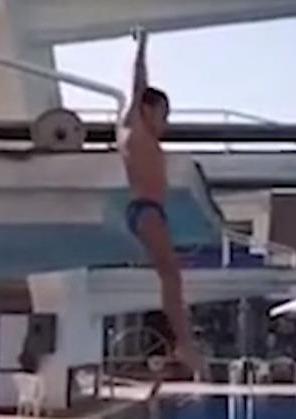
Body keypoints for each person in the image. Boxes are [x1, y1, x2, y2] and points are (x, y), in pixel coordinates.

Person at [118, 27, 201, 378]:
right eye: (163, 114)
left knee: (172, 275)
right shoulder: (134, 128)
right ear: (146, 109)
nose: (166, 123)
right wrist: (143, 45)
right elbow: (138, 83)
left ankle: (181, 341)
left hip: (150, 211)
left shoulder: (146, 138)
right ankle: (183, 343)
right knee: (171, 275)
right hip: (144, 209)